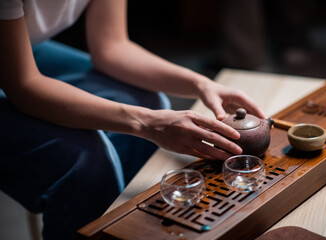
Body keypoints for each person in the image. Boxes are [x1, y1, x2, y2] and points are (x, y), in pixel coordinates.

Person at [0, 0, 266, 239]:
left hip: (25, 43)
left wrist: (200, 84)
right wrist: (147, 123)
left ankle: (131, 227)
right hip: (18, 69)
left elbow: (111, 46)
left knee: (150, 103)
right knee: (85, 159)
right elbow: (23, 85)